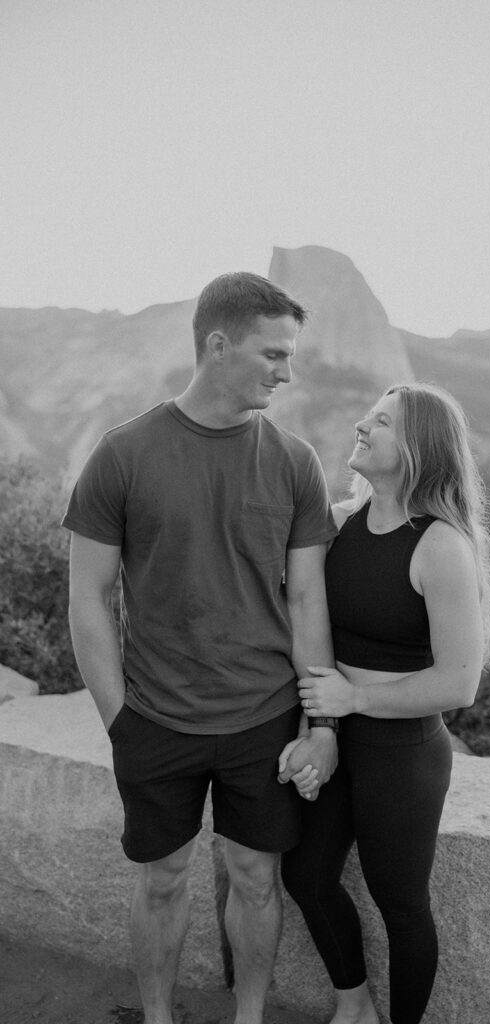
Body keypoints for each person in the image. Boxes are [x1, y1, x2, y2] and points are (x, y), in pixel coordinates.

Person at [62, 272, 340, 1024]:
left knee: (256, 878)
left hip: (264, 718)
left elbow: (307, 598)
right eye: (273, 354)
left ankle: (247, 1018)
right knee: (161, 878)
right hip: (154, 718)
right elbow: (88, 596)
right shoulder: (122, 455)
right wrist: (119, 717)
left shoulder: (295, 462)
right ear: (218, 345)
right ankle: (157, 1019)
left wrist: (322, 724)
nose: (287, 372)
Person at [279, 382, 490, 1024]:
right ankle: (354, 1006)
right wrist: (318, 722)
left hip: (402, 752)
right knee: (307, 878)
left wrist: (357, 698)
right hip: (331, 734)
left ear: (418, 449)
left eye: (381, 421)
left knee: (400, 904)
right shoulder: (339, 525)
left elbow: (460, 683)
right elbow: (307, 624)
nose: (361, 425)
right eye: (368, 414)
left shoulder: (441, 546)